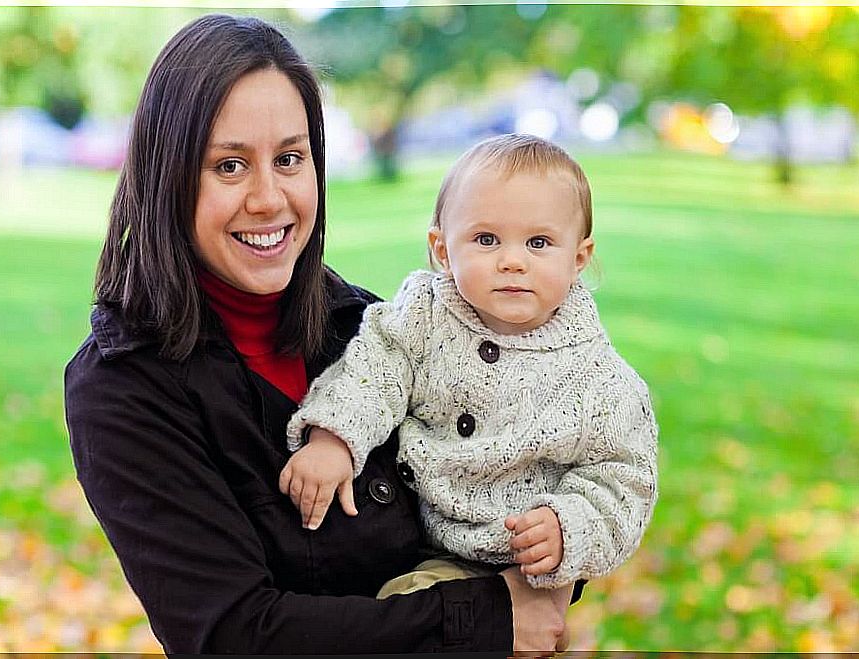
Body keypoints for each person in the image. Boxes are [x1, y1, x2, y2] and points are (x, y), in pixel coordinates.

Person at [64, 14, 572, 654]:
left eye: (289, 158)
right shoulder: (123, 388)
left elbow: (512, 485)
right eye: (229, 165)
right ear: (168, 176)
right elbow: (234, 636)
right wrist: (491, 616)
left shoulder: (373, 329)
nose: (269, 198)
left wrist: (558, 538)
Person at [281, 134, 659, 602]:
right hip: (411, 528)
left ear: (578, 258)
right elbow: (375, 368)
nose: (512, 261)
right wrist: (335, 438)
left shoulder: (600, 382)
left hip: (513, 562)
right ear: (442, 249)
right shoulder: (426, 314)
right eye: (486, 239)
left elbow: (624, 481)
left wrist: (569, 527)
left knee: (408, 607)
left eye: (539, 243)